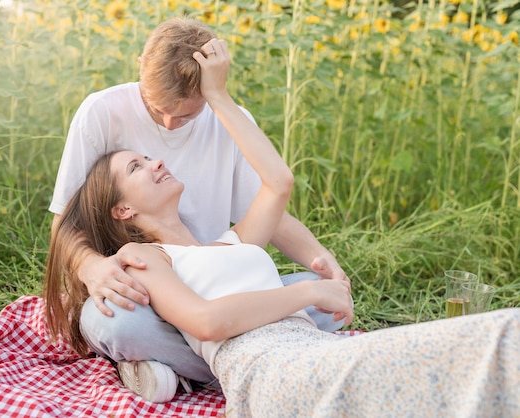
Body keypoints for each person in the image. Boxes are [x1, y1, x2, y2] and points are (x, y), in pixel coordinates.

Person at [43, 38, 520, 415]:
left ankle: (179, 376)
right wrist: (309, 297)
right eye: (137, 166)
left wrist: (220, 98)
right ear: (122, 211)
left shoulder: (227, 244)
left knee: (492, 339)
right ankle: (202, 368)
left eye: (150, 155)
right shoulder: (143, 258)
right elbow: (208, 320)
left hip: (297, 348)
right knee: (116, 317)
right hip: (270, 366)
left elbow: (278, 184)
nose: (162, 143)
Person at [48, 17, 351, 392]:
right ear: (141, 64)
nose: (170, 125)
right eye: (157, 108)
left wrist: (324, 268)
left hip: (220, 278)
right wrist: (91, 267)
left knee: (325, 292)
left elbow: (276, 193)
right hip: (148, 296)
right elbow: (67, 220)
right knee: (111, 319)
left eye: (188, 113)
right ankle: (230, 359)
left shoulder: (226, 126)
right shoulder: (102, 112)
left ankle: (181, 372)